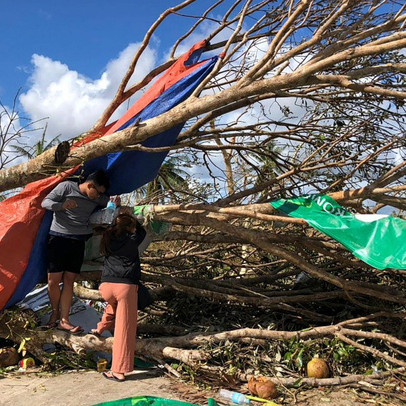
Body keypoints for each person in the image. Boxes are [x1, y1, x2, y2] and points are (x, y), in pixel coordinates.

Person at [41, 170, 115, 334]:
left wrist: (114, 203)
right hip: (58, 237)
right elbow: (45, 202)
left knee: (69, 280)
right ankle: (55, 314)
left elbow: (107, 203)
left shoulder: (99, 197)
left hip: (78, 241)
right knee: (53, 280)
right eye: (97, 192)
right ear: (90, 185)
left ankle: (64, 320)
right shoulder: (66, 187)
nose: (97, 197)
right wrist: (61, 206)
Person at [91, 214, 146, 382]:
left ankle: (100, 328)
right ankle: (118, 371)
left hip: (106, 286)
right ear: (130, 228)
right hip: (125, 286)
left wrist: (119, 217)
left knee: (113, 305)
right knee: (125, 330)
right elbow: (142, 230)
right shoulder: (132, 239)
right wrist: (134, 216)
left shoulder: (108, 237)